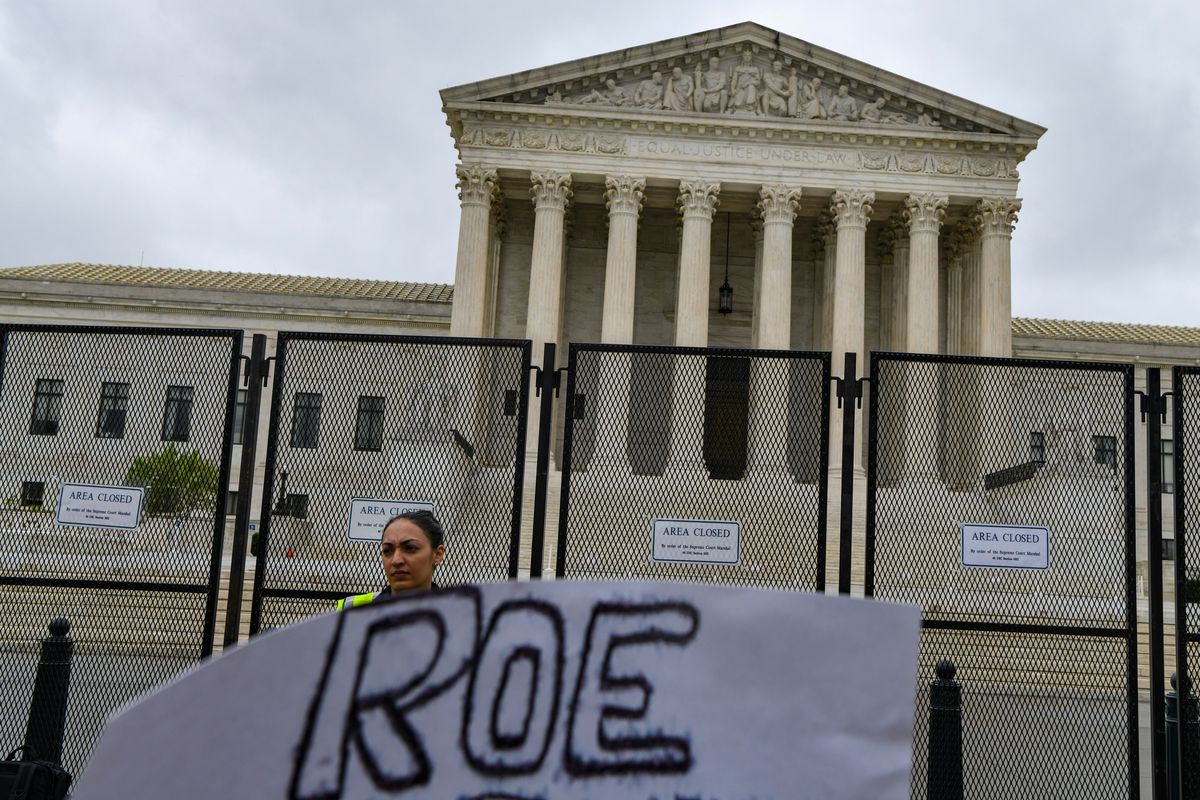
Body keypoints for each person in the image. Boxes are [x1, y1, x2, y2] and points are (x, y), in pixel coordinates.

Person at [336, 510, 446, 610]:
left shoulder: (457, 614)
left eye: (410, 548)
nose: (396, 560)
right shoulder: (350, 611)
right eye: (387, 550)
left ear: (438, 554)